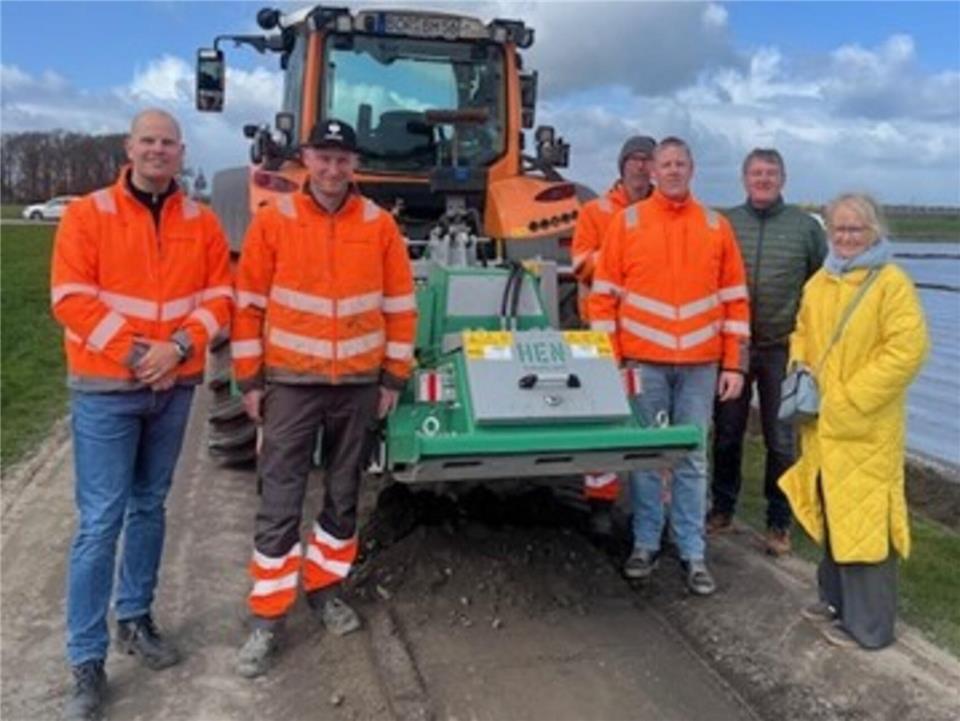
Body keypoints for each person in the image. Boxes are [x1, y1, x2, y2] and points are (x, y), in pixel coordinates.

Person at [50, 108, 233, 721]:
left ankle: (135, 619)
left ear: (182, 153)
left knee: (150, 507)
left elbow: (221, 297)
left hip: (171, 386)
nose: (158, 151)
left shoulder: (200, 220)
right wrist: (137, 353)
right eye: (147, 141)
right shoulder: (88, 214)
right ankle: (85, 660)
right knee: (101, 522)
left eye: (168, 143)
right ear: (130, 148)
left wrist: (177, 348)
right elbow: (70, 297)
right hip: (107, 387)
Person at [231, 118, 417, 678]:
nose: (333, 168)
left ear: (353, 164)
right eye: (323, 157)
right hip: (290, 383)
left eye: (342, 159)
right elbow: (249, 306)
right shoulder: (275, 221)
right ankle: (267, 618)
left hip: (358, 387)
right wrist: (250, 379)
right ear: (306, 159)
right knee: (280, 499)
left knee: (342, 496)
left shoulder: (380, 225)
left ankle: (326, 591)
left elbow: (400, 307)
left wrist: (392, 378)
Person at [589, 137, 750, 595]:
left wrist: (734, 365)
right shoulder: (627, 223)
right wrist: (612, 362)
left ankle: (692, 551)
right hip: (644, 363)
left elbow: (736, 302)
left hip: (701, 366)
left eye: (681, 163)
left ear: (692, 170)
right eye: (666, 164)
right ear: (653, 172)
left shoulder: (716, 227)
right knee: (646, 456)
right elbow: (603, 299)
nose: (674, 170)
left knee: (692, 458)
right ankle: (644, 543)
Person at [779, 193, 928, 649]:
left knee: (866, 523)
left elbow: (906, 351)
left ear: (874, 232)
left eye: (854, 229)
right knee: (832, 510)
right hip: (823, 428)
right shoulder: (820, 283)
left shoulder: (891, 284)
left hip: (864, 429)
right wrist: (799, 368)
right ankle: (835, 602)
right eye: (838, 229)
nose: (845, 237)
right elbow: (802, 332)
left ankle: (869, 627)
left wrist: (848, 398)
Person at [708, 149, 827, 556]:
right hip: (735, 346)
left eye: (770, 173)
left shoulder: (805, 228)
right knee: (727, 431)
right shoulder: (726, 223)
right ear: (744, 179)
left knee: (781, 439)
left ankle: (779, 522)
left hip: (783, 348)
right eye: (756, 173)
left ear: (783, 178)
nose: (763, 179)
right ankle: (721, 508)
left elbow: (820, 285)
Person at [571, 135, 656, 534]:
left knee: (652, 416)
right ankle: (601, 501)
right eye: (634, 159)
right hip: (604, 328)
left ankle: (653, 507)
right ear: (622, 166)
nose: (641, 166)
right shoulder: (595, 211)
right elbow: (581, 262)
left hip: (655, 330)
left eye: (647, 160)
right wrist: (629, 257)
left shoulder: (666, 213)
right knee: (601, 412)